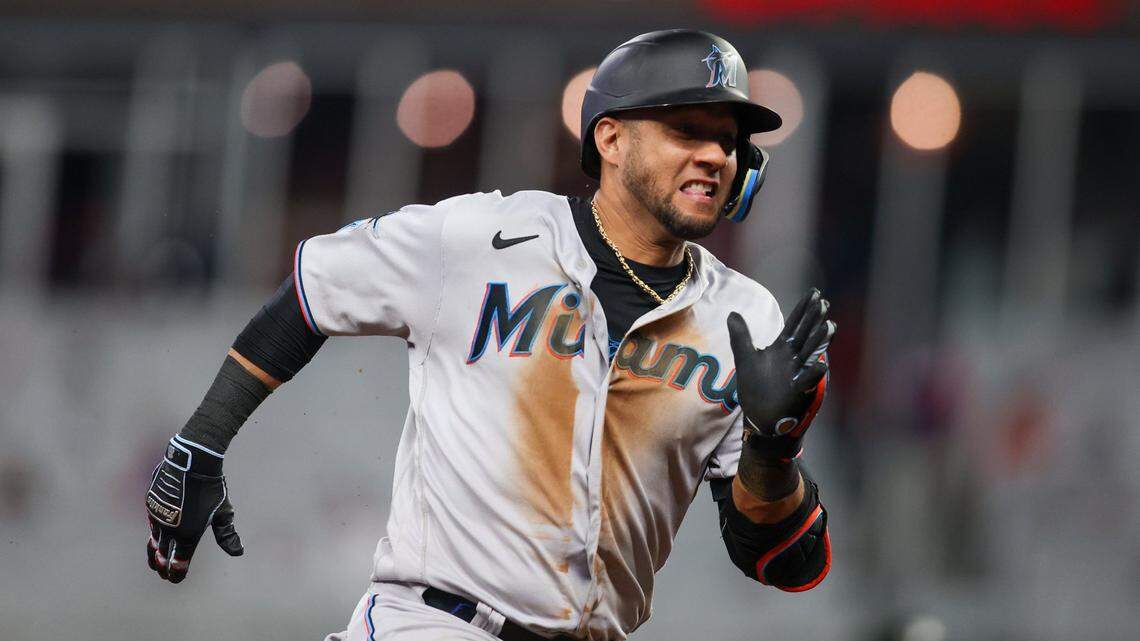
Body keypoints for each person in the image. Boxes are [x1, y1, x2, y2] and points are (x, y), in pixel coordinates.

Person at [145, 29, 835, 641]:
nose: (716, 154)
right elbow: (312, 289)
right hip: (436, 620)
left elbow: (779, 558)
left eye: (729, 139)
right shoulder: (481, 238)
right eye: (688, 128)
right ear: (611, 137)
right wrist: (201, 440)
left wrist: (774, 452)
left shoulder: (745, 319)